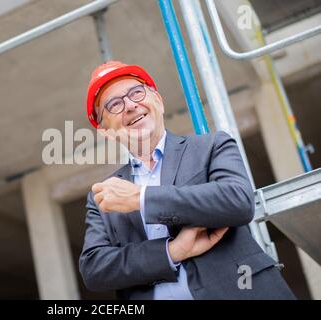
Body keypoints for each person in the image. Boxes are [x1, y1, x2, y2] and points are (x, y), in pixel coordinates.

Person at [79, 60, 295, 300]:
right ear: (105, 131)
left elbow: (239, 201)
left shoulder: (211, 146)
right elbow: (94, 269)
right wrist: (172, 251)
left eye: (136, 92)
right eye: (114, 104)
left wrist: (141, 198)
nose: (130, 105)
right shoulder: (104, 194)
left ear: (158, 101)